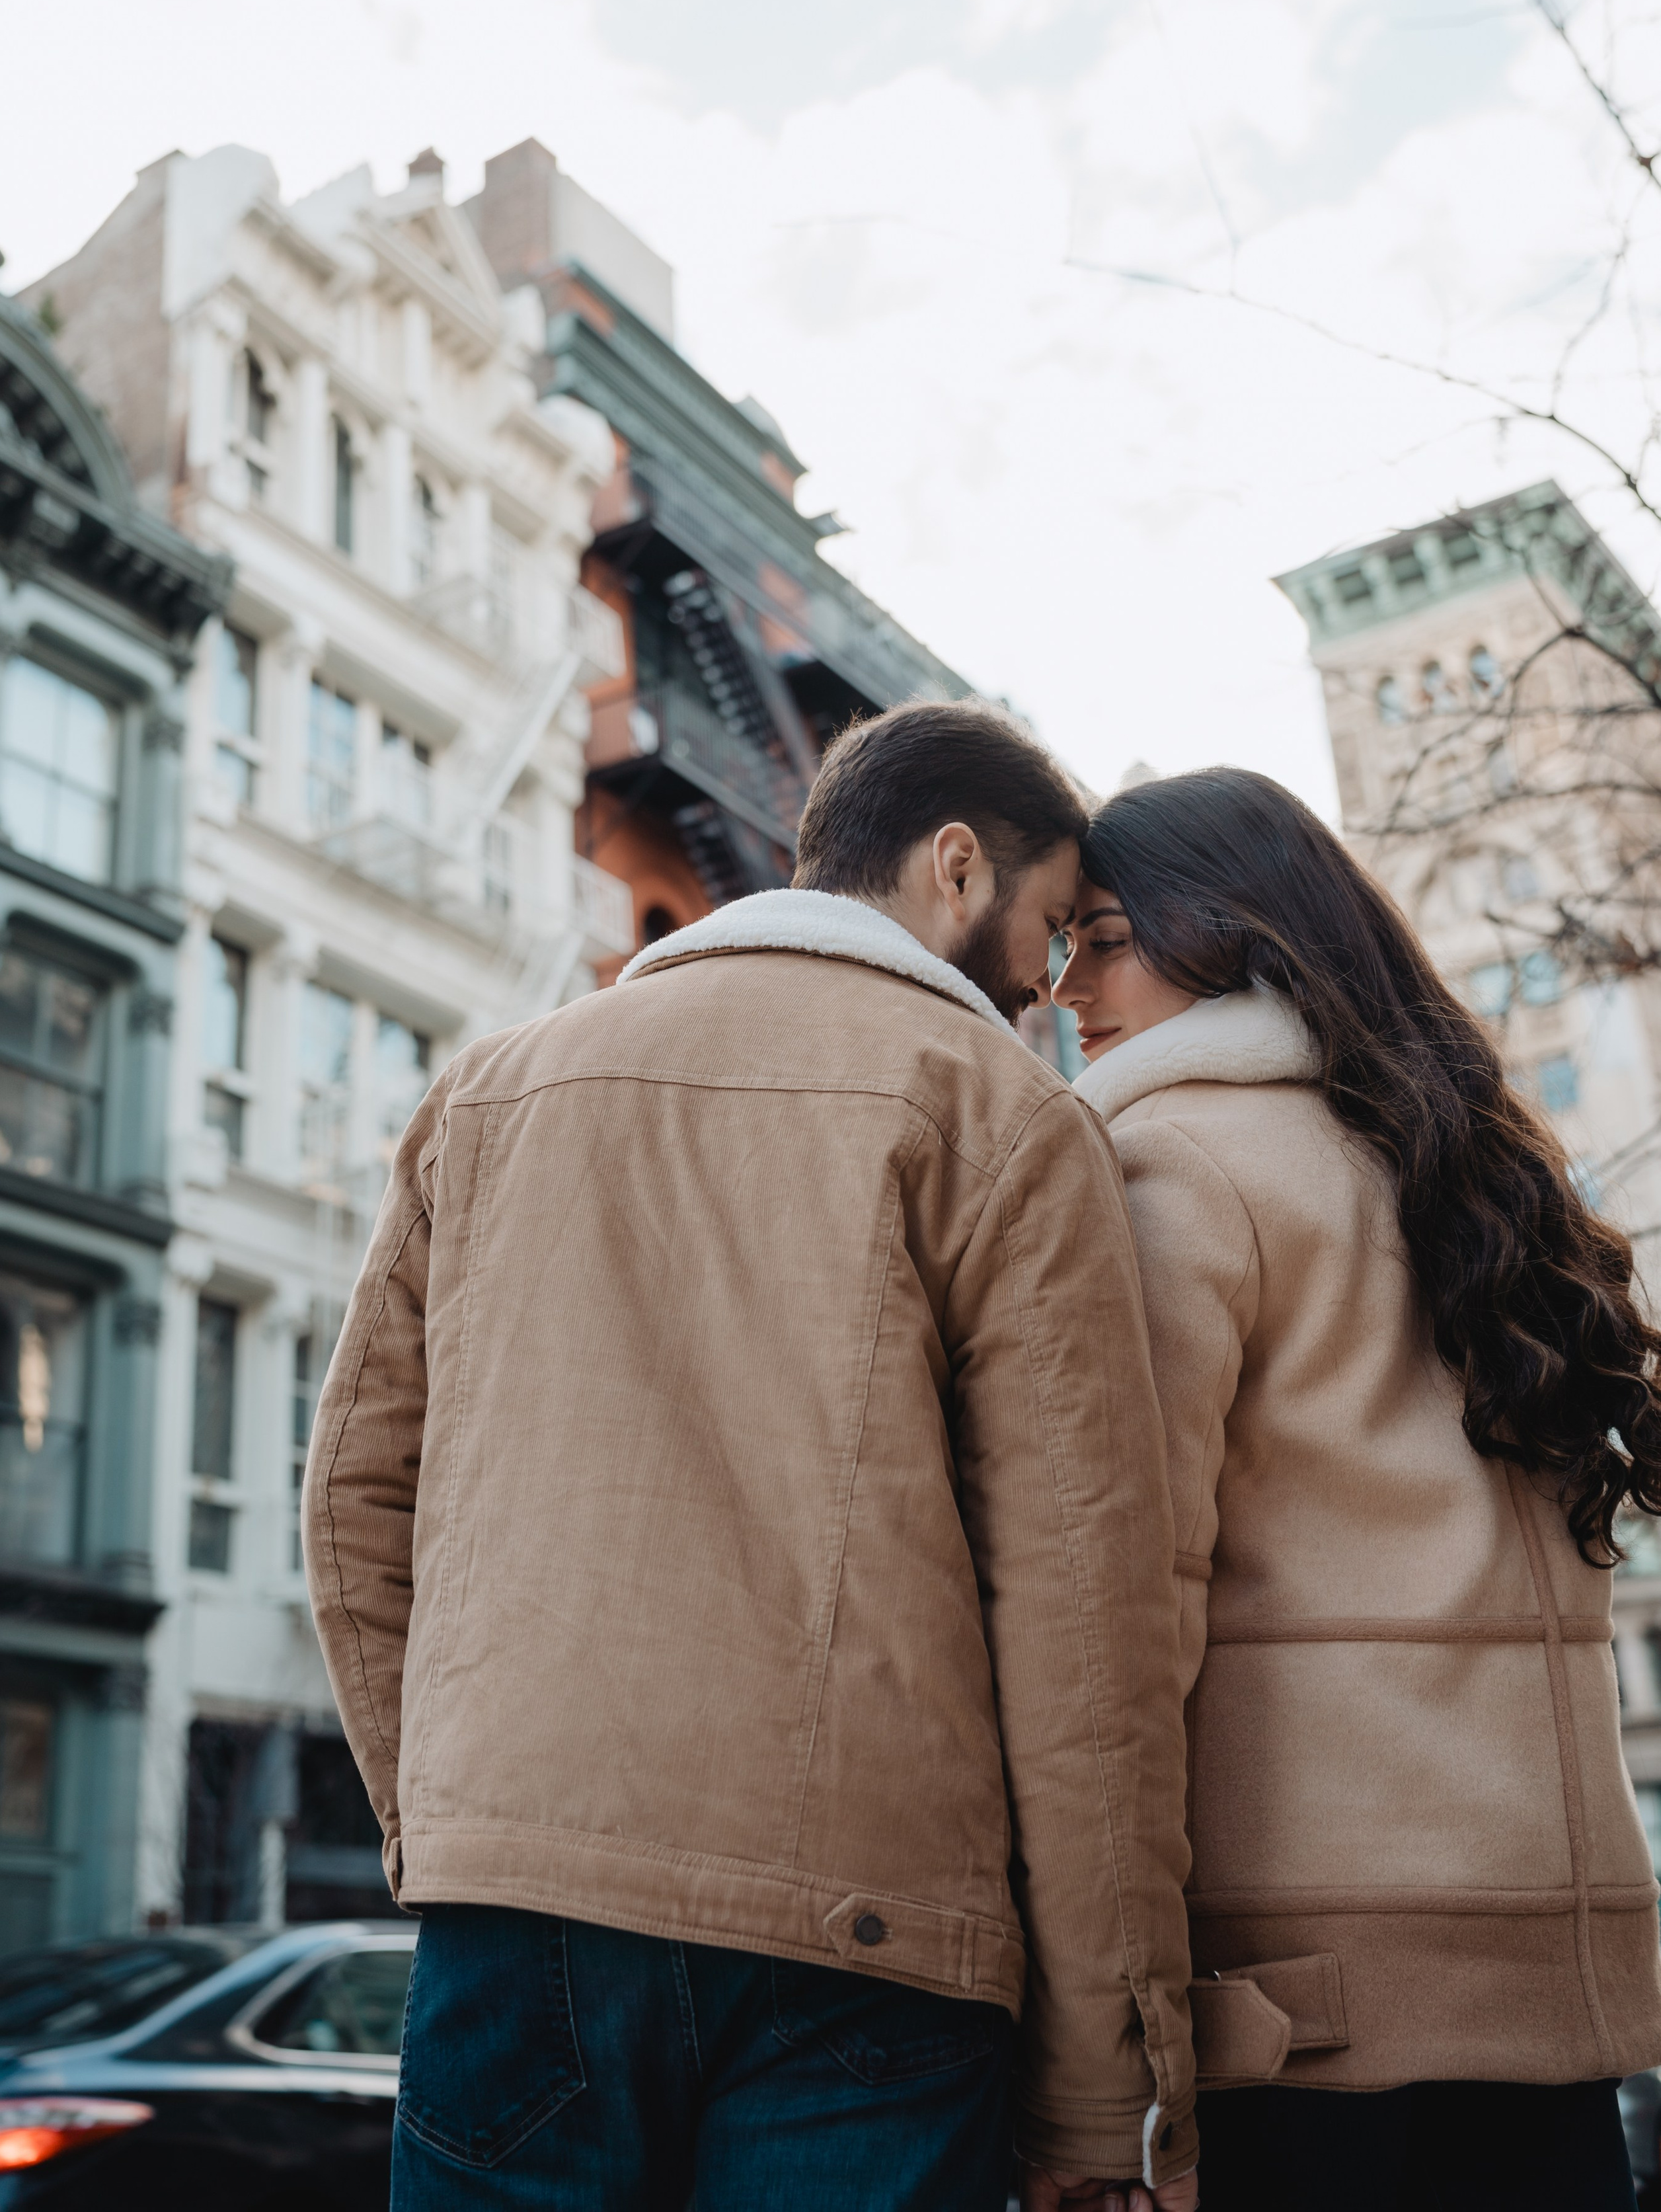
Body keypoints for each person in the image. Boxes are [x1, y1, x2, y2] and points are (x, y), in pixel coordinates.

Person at [303, 697, 1201, 2212]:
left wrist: (465, 1829)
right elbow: (1081, 1625)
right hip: (870, 1944)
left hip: (518, 1911)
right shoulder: (1001, 1115)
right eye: (1050, 930)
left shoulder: (489, 1092)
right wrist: (1099, 2087)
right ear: (956, 867)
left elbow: (352, 1506)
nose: (1048, 987)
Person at [1048, 765, 1661, 2212]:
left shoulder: (1168, 1163)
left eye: (1107, 939)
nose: (1067, 988)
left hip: (1305, 1998)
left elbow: (1125, 1616)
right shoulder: (1478, 1165)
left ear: (1230, 930)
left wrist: (1096, 2043)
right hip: (1556, 1981)